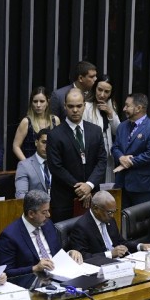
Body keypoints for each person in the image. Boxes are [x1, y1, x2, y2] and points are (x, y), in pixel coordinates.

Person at [46, 89, 107, 222]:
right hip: (64, 200)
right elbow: (56, 167)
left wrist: (89, 185)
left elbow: (102, 161)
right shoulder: (55, 135)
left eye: (79, 106)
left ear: (84, 106)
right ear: (64, 107)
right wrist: (81, 188)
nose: (75, 110)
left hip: (92, 196)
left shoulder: (95, 131)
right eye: (71, 106)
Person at [0, 190, 83, 277]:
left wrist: (70, 253)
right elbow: (7, 272)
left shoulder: (47, 224)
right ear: (31, 214)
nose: (48, 215)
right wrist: (35, 268)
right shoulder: (9, 236)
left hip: (57, 275)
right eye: (44, 212)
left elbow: (57, 253)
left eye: (48, 211)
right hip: (32, 282)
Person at [68, 190, 150, 260]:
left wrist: (140, 246)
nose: (112, 215)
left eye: (114, 211)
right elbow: (83, 256)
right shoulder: (81, 227)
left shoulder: (109, 219)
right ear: (96, 209)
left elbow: (121, 242)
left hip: (119, 263)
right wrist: (111, 254)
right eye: (109, 212)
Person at [111, 92, 150, 207]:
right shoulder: (122, 126)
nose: (124, 109)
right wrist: (121, 157)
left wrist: (130, 162)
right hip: (121, 183)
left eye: (127, 105)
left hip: (142, 185)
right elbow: (115, 147)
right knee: (121, 219)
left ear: (139, 108)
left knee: (141, 221)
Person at [83, 75, 121, 182]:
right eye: (99, 90)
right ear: (94, 88)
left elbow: (118, 131)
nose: (102, 94)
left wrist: (110, 113)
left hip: (108, 152)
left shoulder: (111, 104)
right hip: (91, 153)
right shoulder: (86, 106)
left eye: (106, 91)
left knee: (107, 186)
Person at [11, 86, 60, 161]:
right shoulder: (26, 122)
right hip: (31, 164)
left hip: (51, 165)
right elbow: (16, 146)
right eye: (35, 101)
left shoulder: (55, 120)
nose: (38, 105)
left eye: (42, 101)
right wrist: (27, 164)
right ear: (31, 103)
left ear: (47, 102)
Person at [14, 128, 52, 198]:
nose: (46, 147)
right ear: (36, 142)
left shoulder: (57, 164)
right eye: (44, 142)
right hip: (35, 207)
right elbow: (20, 195)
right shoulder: (24, 166)